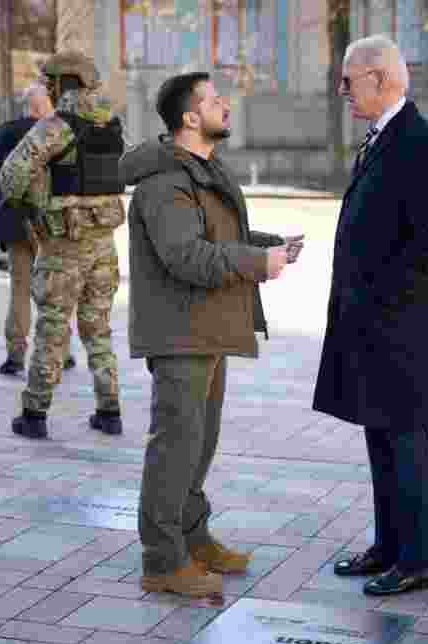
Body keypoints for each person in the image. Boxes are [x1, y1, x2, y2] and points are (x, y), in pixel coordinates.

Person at [120, 72, 303, 597]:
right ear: (189, 117)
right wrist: (256, 263)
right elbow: (185, 255)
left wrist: (269, 246)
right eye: (213, 98)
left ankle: (193, 538)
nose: (226, 103)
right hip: (181, 332)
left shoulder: (201, 169)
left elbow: (217, 236)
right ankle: (162, 559)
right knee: (175, 446)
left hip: (209, 326)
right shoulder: (166, 181)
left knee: (198, 445)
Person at [313, 35, 428, 597]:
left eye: (349, 80)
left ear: (381, 79)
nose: (343, 90)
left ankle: (417, 559)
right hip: (373, 323)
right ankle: (388, 546)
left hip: (400, 325)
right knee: (380, 435)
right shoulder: (383, 137)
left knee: (404, 442)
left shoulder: (419, 142)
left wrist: (378, 287)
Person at [0, 51, 125, 440]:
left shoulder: (56, 126)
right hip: (104, 245)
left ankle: (34, 415)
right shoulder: (112, 125)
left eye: (50, 83)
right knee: (99, 329)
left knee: (53, 329)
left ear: (60, 84)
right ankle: (110, 410)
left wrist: (34, 200)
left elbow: (12, 174)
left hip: (63, 247)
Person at [0, 82, 75, 376]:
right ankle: (62, 352)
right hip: (52, 224)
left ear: (27, 106)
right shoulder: (59, 133)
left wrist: (5, 212)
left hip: (14, 221)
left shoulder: (6, 132)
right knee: (56, 292)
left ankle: (15, 355)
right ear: (45, 106)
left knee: (20, 289)